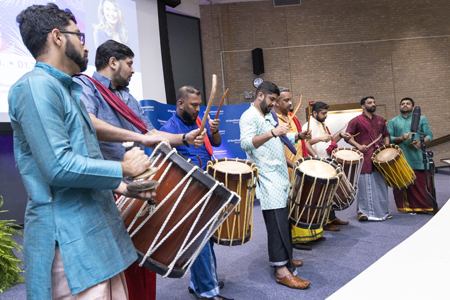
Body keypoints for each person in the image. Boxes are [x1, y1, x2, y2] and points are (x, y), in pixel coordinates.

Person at [9, 4, 154, 298]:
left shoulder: (66, 89)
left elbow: (82, 158)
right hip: (70, 244)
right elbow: (58, 166)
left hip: (95, 234)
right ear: (57, 37)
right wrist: (123, 169)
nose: (86, 45)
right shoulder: (35, 87)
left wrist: (123, 186)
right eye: (81, 35)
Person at [73, 40, 205, 300]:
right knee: (120, 263)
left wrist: (186, 138)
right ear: (113, 62)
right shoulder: (86, 87)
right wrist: (139, 138)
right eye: (130, 64)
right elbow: (88, 122)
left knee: (143, 259)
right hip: (110, 185)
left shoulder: (126, 97)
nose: (133, 70)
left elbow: (150, 132)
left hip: (136, 185)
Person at [159, 86, 231, 300]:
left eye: (199, 105)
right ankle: (209, 291)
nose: (197, 109)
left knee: (205, 239)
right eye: (193, 105)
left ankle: (198, 283)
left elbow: (215, 143)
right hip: (188, 192)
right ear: (180, 104)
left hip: (206, 187)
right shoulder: (170, 130)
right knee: (199, 239)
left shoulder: (199, 122)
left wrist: (214, 130)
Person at [240, 81, 310, 289]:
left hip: (279, 177)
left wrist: (297, 135)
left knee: (283, 223)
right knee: (276, 226)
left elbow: (279, 137)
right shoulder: (249, 116)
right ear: (260, 95)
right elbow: (246, 143)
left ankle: (287, 259)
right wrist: (273, 132)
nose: (274, 104)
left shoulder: (267, 115)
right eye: (271, 100)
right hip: (267, 178)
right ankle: (281, 271)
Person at [274, 87, 324, 245]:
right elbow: (275, 148)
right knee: (292, 202)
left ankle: (310, 233)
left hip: (300, 164)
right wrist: (293, 165)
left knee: (305, 198)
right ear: (276, 102)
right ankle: (295, 238)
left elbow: (299, 140)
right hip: (287, 168)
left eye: (290, 99)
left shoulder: (292, 117)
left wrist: (304, 138)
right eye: (286, 100)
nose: (290, 103)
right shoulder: (272, 119)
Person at [304, 101, 351, 231]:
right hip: (318, 164)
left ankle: (332, 217)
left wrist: (340, 136)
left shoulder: (323, 124)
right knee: (321, 194)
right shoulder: (308, 125)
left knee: (329, 193)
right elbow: (305, 143)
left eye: (326, 113)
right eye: (323, 113)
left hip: (327, 162)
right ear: (314, 113)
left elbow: (329, 143)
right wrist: (317, 158)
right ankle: (324, 222)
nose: (326, 115)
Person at [345, 96, 391, 221]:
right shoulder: (355, 121)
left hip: (381, 158)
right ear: (363, 106)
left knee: (381, 184)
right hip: (365, 158)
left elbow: (386, 135)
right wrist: (359, 146)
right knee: (365, 185)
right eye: (370, 102)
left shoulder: (381, 120)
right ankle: (363, 212)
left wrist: (386, 145)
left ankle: (383, 211)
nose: (373, 104)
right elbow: (347, 137)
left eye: (374, 102)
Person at [387, 97, 434, 212]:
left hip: (418, 157)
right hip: (401, 159)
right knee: (404, 185)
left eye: (408, 103)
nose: (405, 105)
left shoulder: (422, 119)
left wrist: (421, 142)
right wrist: (401, 138)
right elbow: (388, 138)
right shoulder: (393, 121)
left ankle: (426, 207)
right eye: (402, 103)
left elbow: (429, 135)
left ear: (413, 107)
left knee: (422, 184)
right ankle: (407, 208)